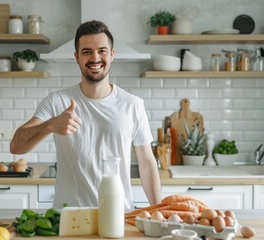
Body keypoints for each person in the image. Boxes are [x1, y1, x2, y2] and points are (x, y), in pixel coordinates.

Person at [10, 20, 162, 209]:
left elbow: (147, 163)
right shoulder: (57, 102)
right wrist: (49, 125)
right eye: (87, 51)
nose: (95, 58)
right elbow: (16, 146)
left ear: (112, 55)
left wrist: (158, 210)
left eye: (102, 51)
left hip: (118, 215)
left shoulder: (133, 105)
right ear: (77, 56)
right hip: (69, 219)